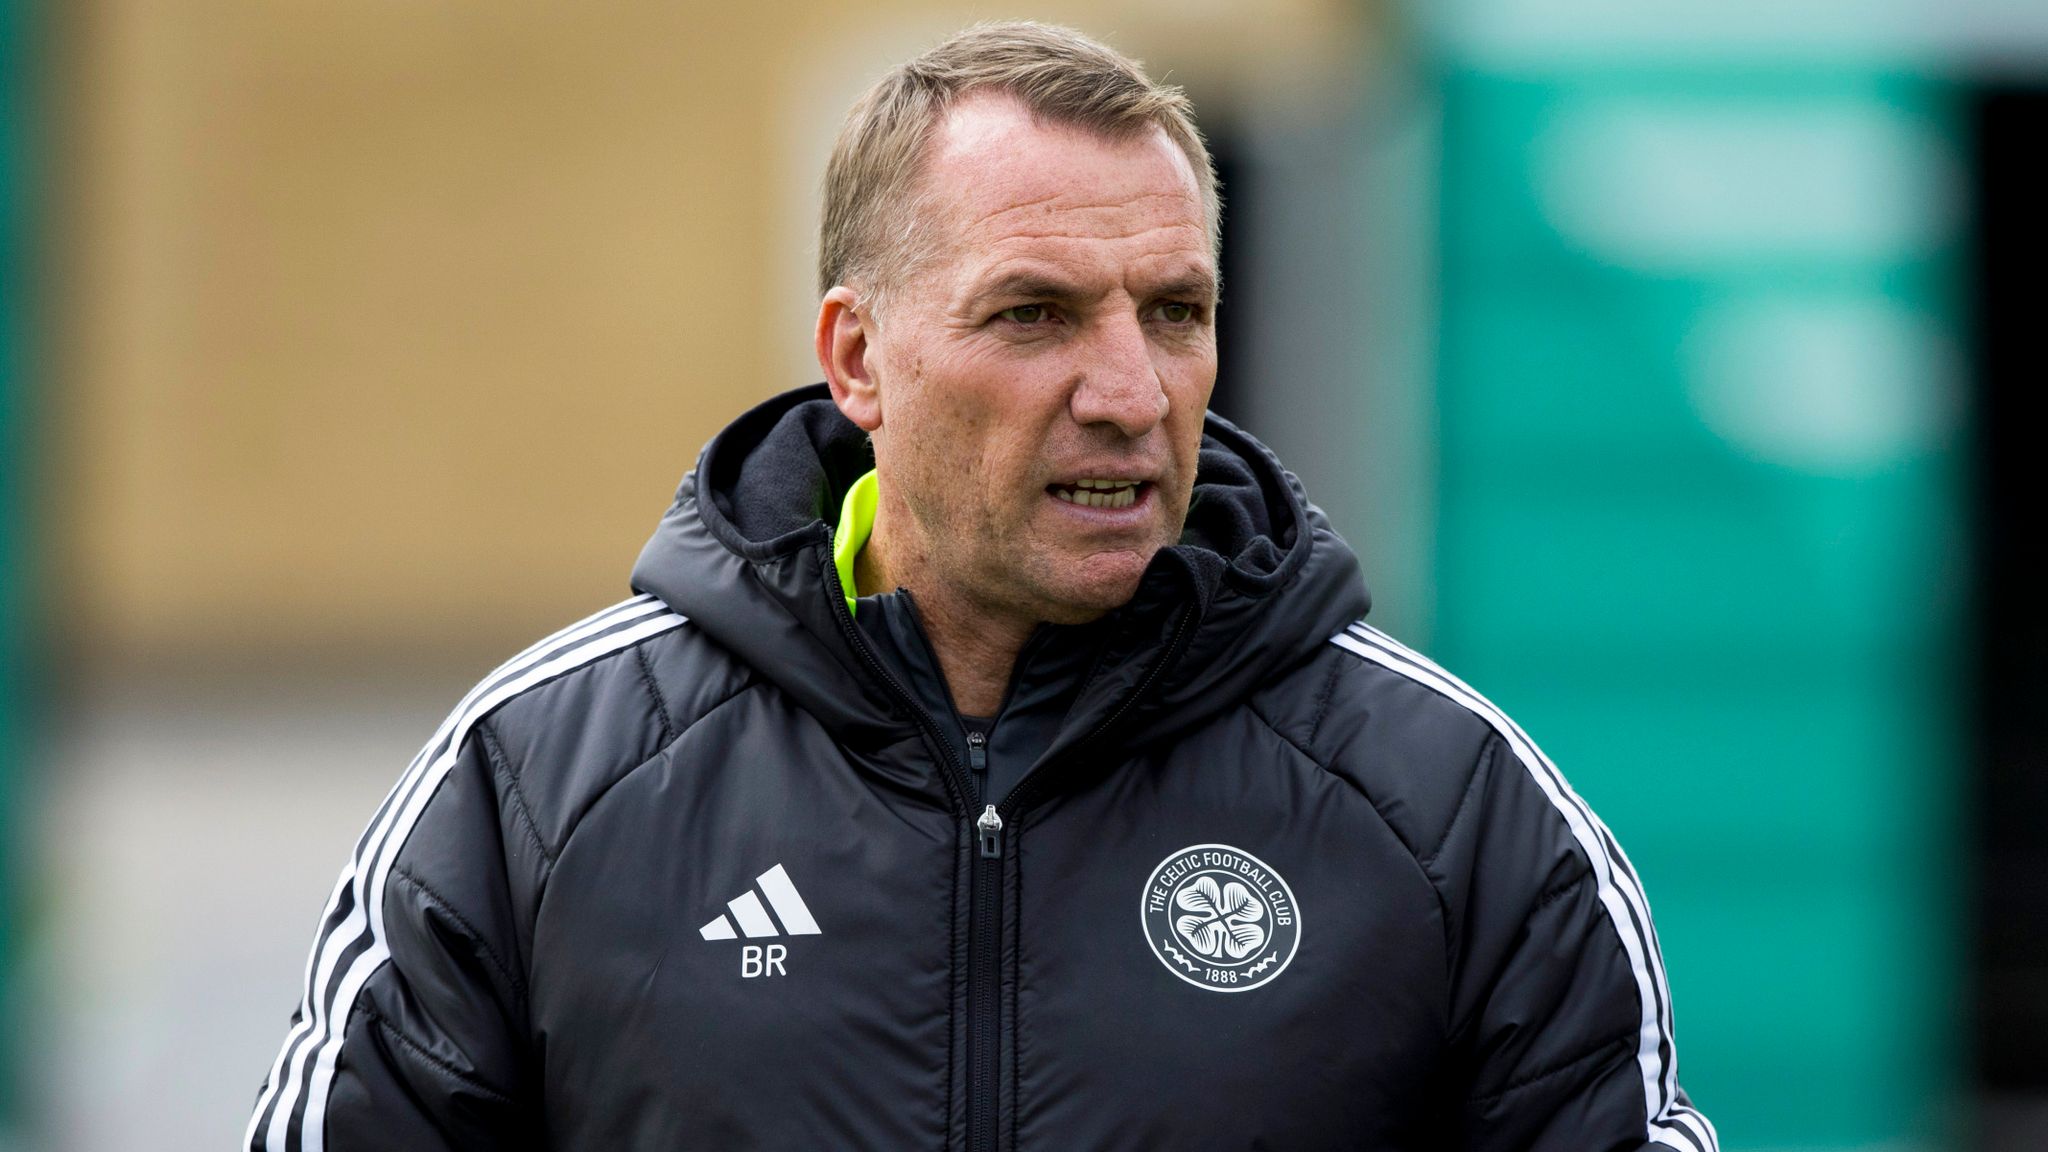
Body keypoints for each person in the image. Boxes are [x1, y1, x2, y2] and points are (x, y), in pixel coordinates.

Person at [246, 20, 1717, 1152]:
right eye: (1035, 315)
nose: (1131, 391)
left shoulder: (1450, 806)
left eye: (1177, 313)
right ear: (859, 359)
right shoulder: (538, 785)